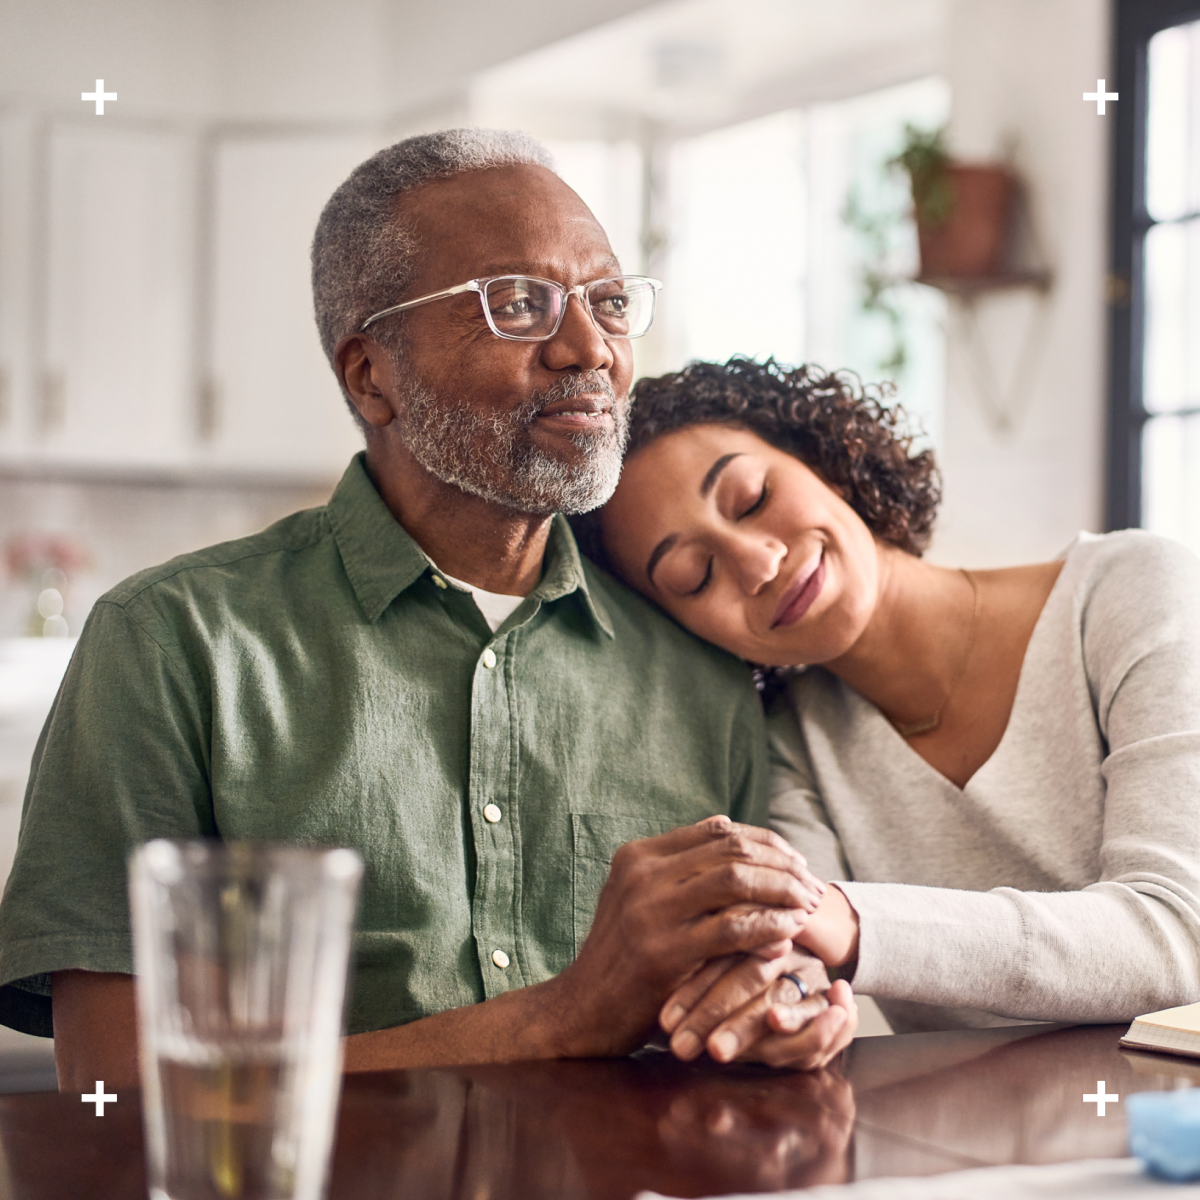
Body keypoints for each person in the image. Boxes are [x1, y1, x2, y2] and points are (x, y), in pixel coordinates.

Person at [0, 133, 857, 1091]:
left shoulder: (696, 672)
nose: (591, 351)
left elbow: (758, 980)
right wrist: (566, 1017)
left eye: (609, 302)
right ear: (372, 375)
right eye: (519, 305)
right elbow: (112, 1090)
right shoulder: (172, 645)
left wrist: (783, 1010)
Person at [588, 355, 1200, 1052]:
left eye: (752, 497)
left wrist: (855, 925)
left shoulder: (1134, 592)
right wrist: (783, 1003)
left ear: (821, 457)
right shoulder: (795, 740)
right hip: (997, 1145)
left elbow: (1180, 936)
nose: (758, 562)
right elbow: (797, 944)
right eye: (695, 576)